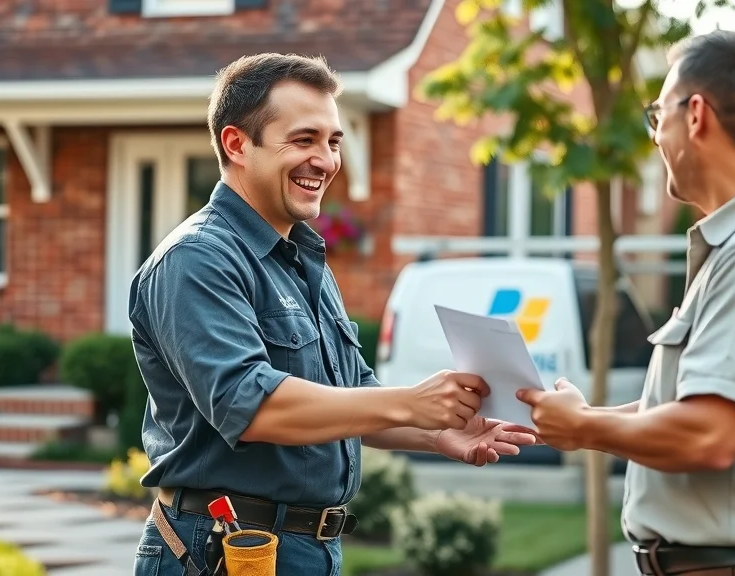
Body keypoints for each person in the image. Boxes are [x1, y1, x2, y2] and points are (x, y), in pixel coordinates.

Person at [128, 52, 537, 576]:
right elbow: (255, 408)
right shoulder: (197, 259)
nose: (325, 159)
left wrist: (437, 433)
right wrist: (411, 403)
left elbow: (352, 397)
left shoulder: (302, 259)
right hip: (221, 552)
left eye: (333, 141)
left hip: (304, 551)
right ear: (236, 144)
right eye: (303, 140)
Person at [516, 31, 735, 576]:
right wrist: (583, 417)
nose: (656, 137)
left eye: (658, 116)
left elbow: (710, 434)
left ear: (695, 114)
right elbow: (697, 405)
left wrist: (584, 429)